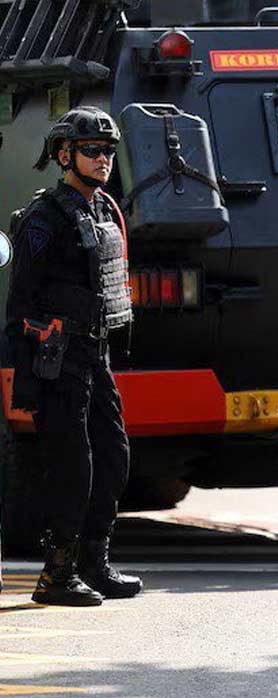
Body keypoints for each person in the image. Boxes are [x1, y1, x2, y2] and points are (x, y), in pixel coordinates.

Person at [6, 107, 140, 607]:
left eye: (108, 150)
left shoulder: (104, 208)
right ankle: (55, 575)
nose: (103, 158)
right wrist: (30, 371)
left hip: (94, 350)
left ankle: (93, 563)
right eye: (91, 150)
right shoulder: (44, 217)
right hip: (57, 356)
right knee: (72, 463)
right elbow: (20, 303)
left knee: (113, 454)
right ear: (65, 155)